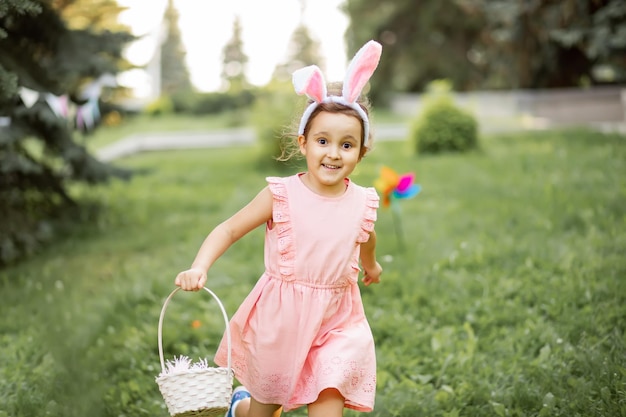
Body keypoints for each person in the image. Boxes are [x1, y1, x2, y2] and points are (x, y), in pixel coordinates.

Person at [175, 40, 383, 417]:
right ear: (303, 144)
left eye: (347, 144)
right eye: (323, 141)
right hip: (281, 321)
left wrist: (371, 265)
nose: (333, 153)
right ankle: (241, 409)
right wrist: (199, 265)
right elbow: (229, 230)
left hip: (338, 322)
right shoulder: (281, 195)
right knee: (265, 411)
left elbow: (365, 236)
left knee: (328, 404)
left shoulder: (363, 201)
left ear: (361, 151)